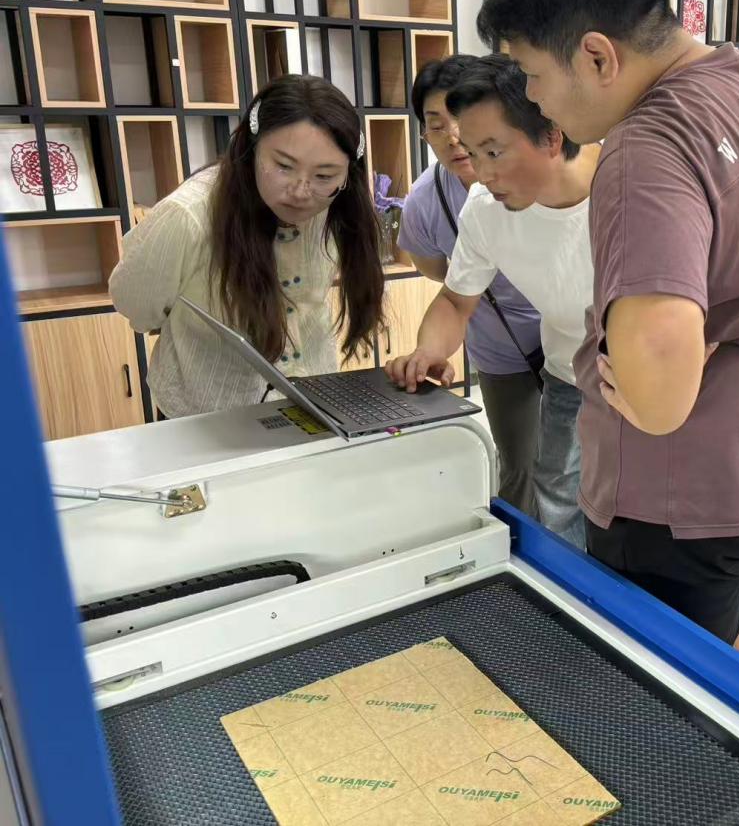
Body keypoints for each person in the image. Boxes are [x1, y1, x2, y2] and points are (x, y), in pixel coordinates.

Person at [478, 0, 739, 657]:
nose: (534, 98)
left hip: (686, 506)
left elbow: (656, 398)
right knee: (724, 648)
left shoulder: (646, 148)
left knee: (672, 693)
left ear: (595, 55)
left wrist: (640, 358)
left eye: (531, 73)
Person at [385, 54, 596, 548]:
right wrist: (428, 351)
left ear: (551, 135)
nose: (480, 174)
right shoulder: (484, 207)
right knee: (556, 503)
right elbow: (456, 300)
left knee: (643, 518)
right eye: (473, 154)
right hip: (567, 375)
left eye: (492, 153)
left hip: (651, 384)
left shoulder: (631, 185)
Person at [110, 75, 384, 418]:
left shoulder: (338, 204)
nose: (301, 192)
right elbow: (136, 304)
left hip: (310, 401)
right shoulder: (188, 215)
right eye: (283, 166)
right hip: (206, 411)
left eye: (324, 175)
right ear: (251, 146)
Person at [397, 54, 545, 514]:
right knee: (522, 466)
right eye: (436, 124)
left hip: (579, 345)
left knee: (581, 471)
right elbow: (449, 289)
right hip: (504, 348)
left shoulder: (567, 182)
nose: (454, 137)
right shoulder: (444, 202)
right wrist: (429, 349)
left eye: (460, 118)